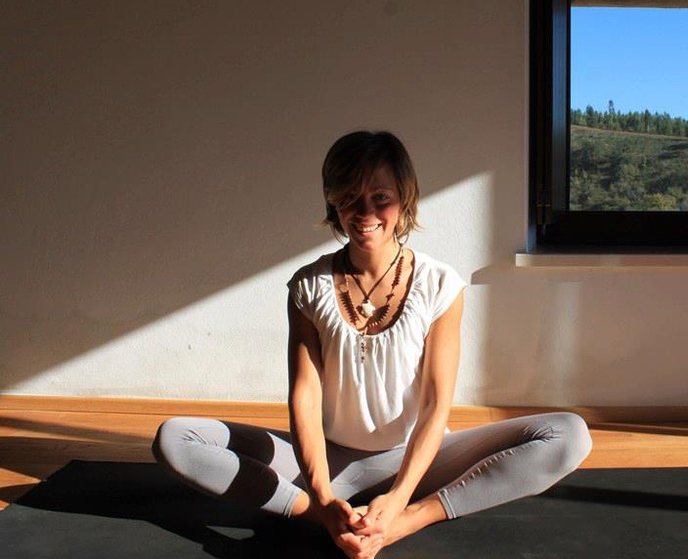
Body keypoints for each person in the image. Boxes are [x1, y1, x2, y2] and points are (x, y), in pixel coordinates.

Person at [152, 130, 592, 558]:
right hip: (327, 464)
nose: (365, 213)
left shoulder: (440, 285)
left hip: (420, 462)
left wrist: (401, 503)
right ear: (333, 201)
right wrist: (322, 498)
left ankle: (412, 520)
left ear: (405, 199)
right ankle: (320, 517)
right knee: (175, 438)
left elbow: (437, 404)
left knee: (569, 435)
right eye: (349, 198)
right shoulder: (308, 286)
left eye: (380, 197)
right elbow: (304, 398)